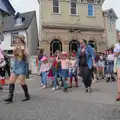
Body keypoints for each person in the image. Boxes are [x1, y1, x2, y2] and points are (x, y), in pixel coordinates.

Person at [4, 35, 30, 104]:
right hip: (16, 65)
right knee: (11, 81)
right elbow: (14, 55)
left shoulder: (24, 46)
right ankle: (10, 97)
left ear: (20, 39)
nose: (16, 39)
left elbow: (27, 55)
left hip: (22, 65)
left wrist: (23, 49)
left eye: (17, 38)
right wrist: (7, 56)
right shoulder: (15, 46)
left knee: (22, 82)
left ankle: (27, 95)